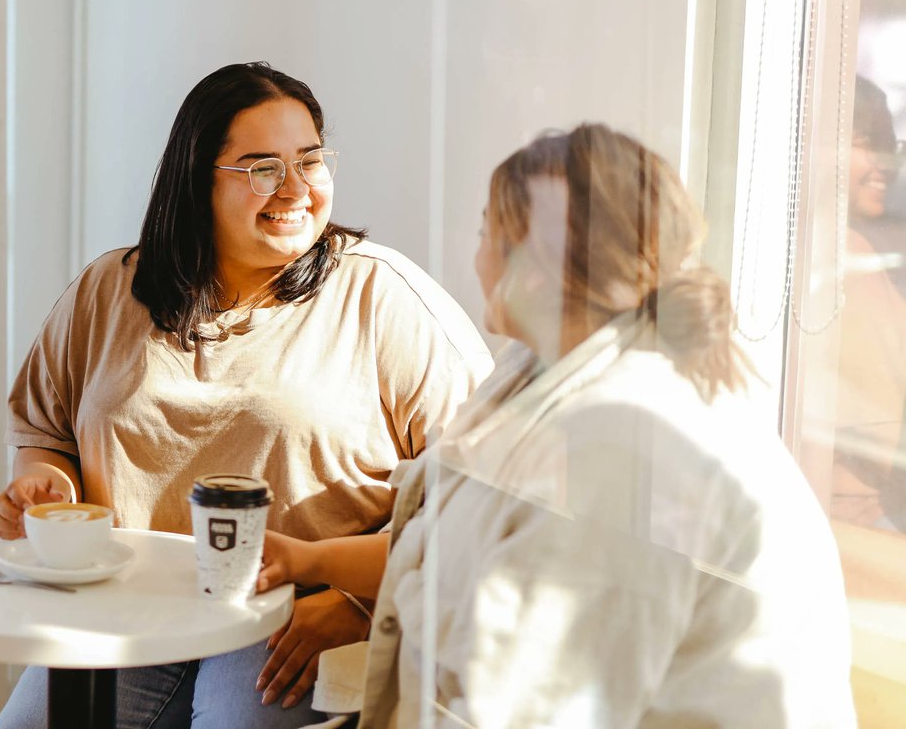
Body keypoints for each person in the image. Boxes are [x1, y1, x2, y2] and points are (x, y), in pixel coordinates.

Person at [260, 124, 856, 727]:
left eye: (485, 234)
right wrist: (308, 561)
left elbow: (531, 708)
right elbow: (451, 549)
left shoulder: (620, 444)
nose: (477, 258)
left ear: (536, 267)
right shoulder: (535, 367)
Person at [0, 61, 493, 729]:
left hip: (292, 614)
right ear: (198, 182)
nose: (294, 189)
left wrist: (357, 603)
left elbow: (486, 495)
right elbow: (45, 434)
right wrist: (44, 487)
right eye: (262, 167)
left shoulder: (383, 298)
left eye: (310, 161)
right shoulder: (109, 289)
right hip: (127, 600)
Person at [832, 76, 906, 529]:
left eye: (889, 144)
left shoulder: (857, 250)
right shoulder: (843, 252)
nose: (885, 162)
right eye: (865, 142)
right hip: (851, 520)